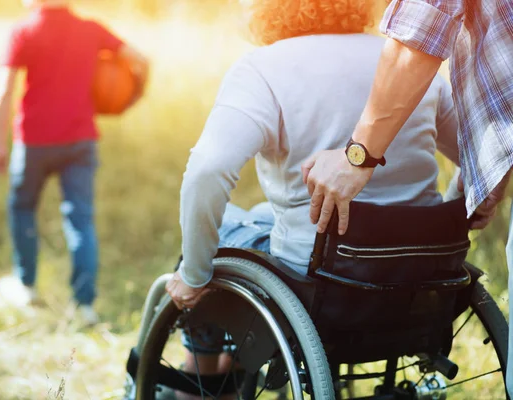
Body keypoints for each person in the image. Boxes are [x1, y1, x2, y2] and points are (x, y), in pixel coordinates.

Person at [164, 0, 462, 396]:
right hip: (421, 277)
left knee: (211, 242)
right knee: (256, 216)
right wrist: (459, 201)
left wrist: (195, 275)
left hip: (314, 282)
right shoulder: (405, 65)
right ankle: (230, 367)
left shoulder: (264, 69)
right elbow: (479, 156)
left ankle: (201, 380)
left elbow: (207, 171)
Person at [300, 0, 513, 394]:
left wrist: (358, 156)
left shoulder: (263, 67)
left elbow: (418, 34)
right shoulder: (434, 87)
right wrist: (488, 174)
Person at [0, 0, 147, 325]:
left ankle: (25, 284)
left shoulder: (24, 30)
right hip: (80, 140)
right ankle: (84, 305)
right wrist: (130, 97)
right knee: (80, 219)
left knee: (22, 207)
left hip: (33, 140)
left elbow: (3, 90)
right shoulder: (91, 30)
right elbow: (142, 60)